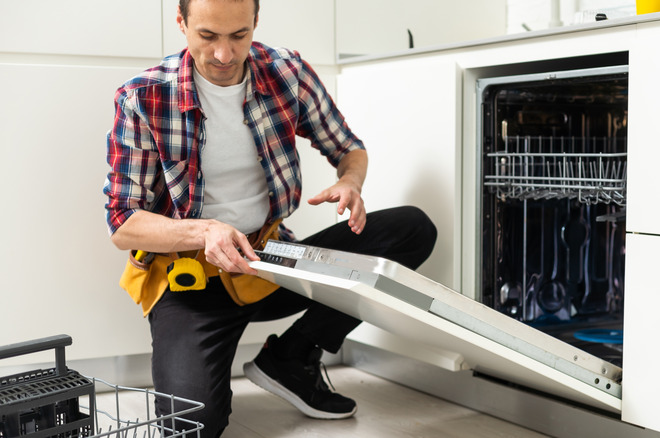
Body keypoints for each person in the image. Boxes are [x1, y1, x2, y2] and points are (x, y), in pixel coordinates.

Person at [102, 0, 437, 437]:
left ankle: (292, 359)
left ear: (255, 22)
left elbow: (348, 147)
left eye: (238, 35)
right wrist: (205, 230)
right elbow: (123, 223)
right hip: (191, 281)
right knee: (190, 427)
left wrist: (351, 182)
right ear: (181, 23)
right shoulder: (143, 96)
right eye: (208, 36)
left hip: (270, 262)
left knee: (409, 229)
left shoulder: (286, 71)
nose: (224, 54)